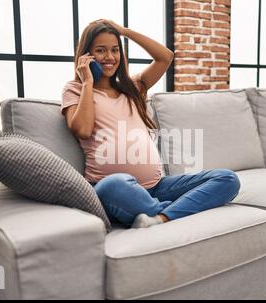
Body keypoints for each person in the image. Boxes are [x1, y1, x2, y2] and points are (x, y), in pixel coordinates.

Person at [61, 19, 240, 228]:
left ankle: (159, 217)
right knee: (112, 185)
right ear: (86, 56)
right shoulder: (75, 89)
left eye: (115, 50)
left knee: (227, 179)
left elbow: (165, 57)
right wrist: (88, 82)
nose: (109, 57)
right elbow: (82, 129)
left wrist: (124, 31)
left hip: (158, 186)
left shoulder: (132, 87)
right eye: (100, 50)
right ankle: (175, 209)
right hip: (117, 189)